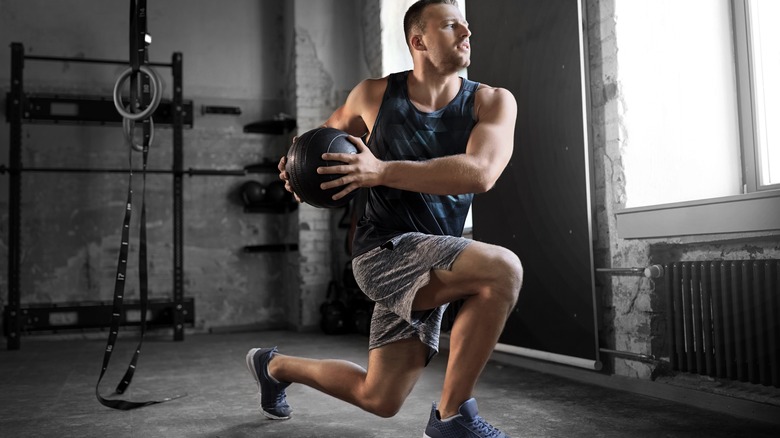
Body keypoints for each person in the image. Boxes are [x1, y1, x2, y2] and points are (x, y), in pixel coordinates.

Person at [248, 1, 522, 436]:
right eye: (452, 25)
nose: (466, 32)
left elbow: (481, 172)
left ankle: (274, 365)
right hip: (382, 252)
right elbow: (321, 149)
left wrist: (381, 170)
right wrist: (295, 171)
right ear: (418, 41)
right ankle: (453, 417)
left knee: (380, 398)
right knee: (502, 270)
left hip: (437, 256)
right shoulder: (373, 96)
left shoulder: (490, 102)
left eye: (466, 25)